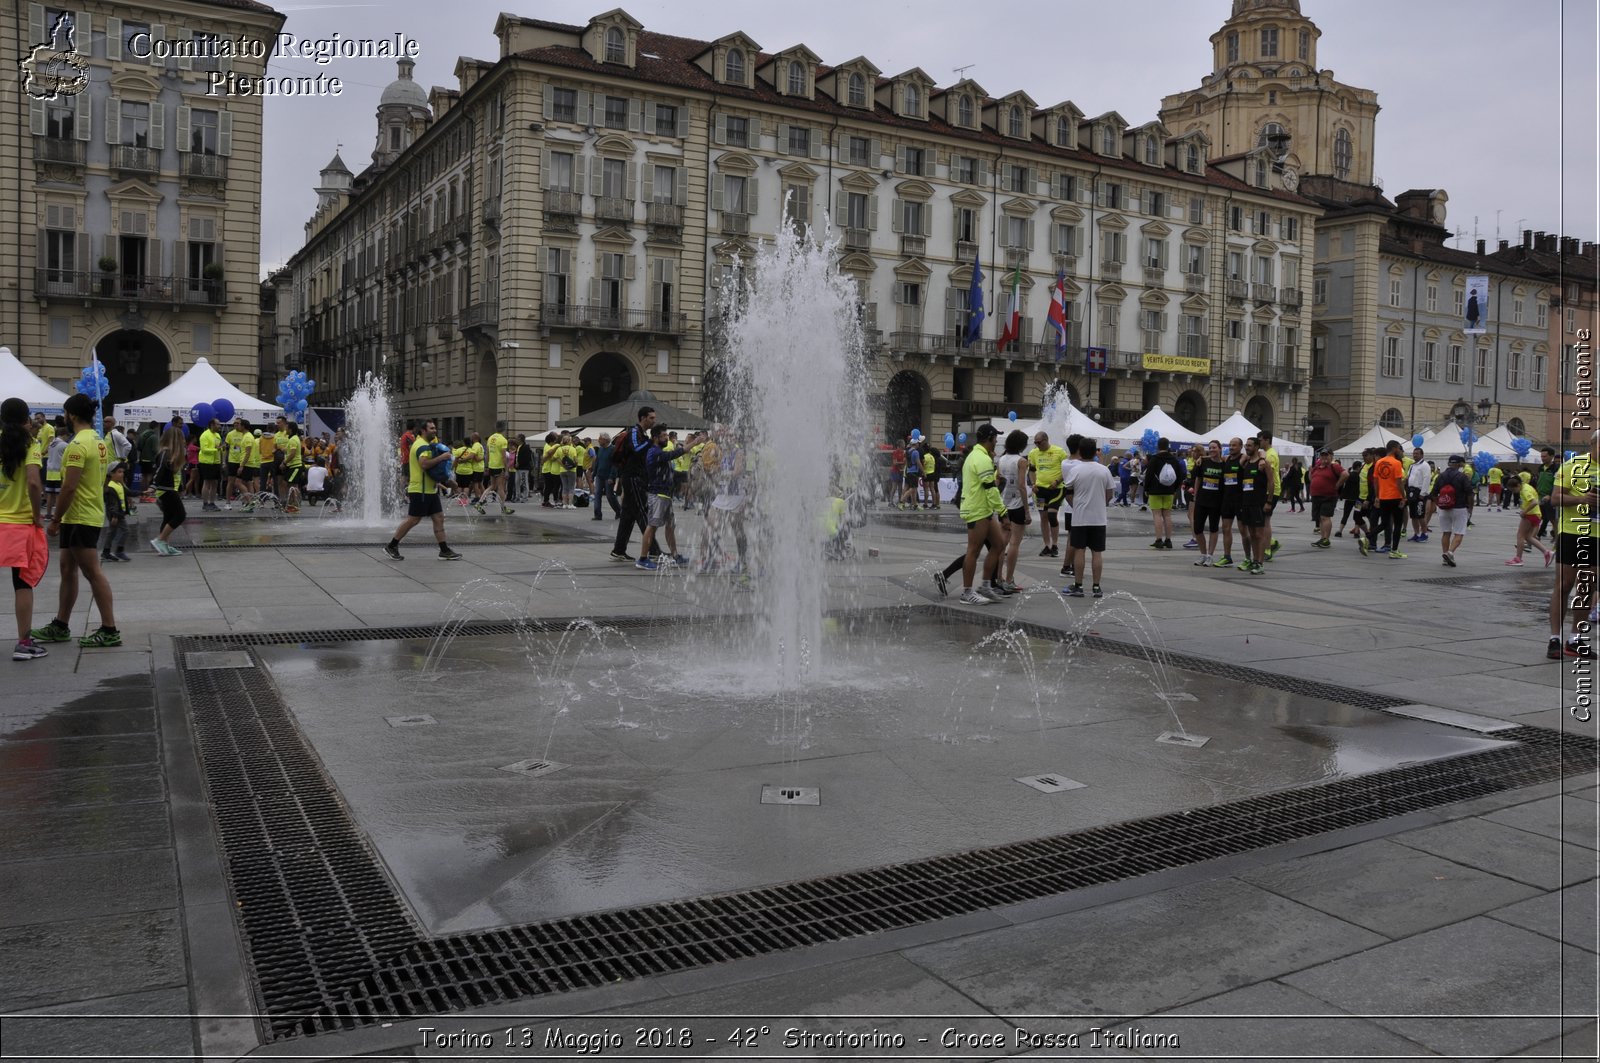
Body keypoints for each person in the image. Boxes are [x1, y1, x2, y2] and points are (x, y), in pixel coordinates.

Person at [30, 393, 119, 648]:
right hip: (80, 514)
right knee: (67, 569)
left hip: (80, 516)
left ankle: (109, 629)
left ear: (72, 415)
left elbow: (68, 488)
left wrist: (55, 520)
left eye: (66, 414)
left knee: (93, 573)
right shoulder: (98, 441)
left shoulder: (78, 445)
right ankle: (61, 624)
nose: (65, 418)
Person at [932, 423, 1007, 605]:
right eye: (995, 437)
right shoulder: (981, 458)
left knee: (998, 545)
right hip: (976, 509)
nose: (997, 440)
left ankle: (986, 586)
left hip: (984, 509)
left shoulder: (979, 455)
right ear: (989, 438)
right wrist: (1003, 512)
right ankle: (967, 592)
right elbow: (990, 488)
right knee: (973, 551)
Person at [0, 398, 49, 660]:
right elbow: (32, 483)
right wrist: (36, 514)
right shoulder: (31, 444)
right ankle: (24, 642)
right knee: (22, 584)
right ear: (25, 418)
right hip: (19, 524)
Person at [1546, 430, 1597, 659]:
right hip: (1572, 532)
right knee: (1565, 584)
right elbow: (1555, 498)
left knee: (1587, 587)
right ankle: (1554, 638)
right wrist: (1581, 499)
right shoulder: (1573, 465)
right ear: (1593, 444)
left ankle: (1575, 639)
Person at [384, 420, 460, 562]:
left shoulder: (425, 444)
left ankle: (444, 550)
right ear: (423, 430)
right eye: (431, 428)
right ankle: (392, 545)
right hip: (420, 490)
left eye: (435, 428)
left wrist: (446, 480)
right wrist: (442, 457)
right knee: (413, 519)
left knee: (438, 518)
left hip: (429, 490)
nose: (434, 430)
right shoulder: (421, 446)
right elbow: (424, 464)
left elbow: (432, 470)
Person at [1061, 436, 1114, 598]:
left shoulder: (1075, 470)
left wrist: (1074, 504)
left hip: (1080, 517)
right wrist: (1102, 503)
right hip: (1098, 518)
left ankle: (1078, 586)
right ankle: (1096, 587)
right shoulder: (1104, 469)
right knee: (1097, 552)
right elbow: (1110, 492)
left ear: (1080, 451)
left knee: (1079, 550)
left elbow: (1067, 490)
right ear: (1094, 451)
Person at [636, 425, 687, 570]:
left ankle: (675, 556)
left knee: (670, 526)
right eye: (664, 436)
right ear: (655, 438)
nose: (666, 438)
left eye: (666, 435)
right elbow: (671, 455)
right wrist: (692, 444)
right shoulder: (654, 452)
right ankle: (642, 558)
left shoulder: (659, 451)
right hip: (657, 495)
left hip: (665, 495)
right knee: (652, 526)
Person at [610, 406, 657, 562]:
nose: (653, 420)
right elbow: (636, 449)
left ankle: (619, 550)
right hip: (633, 478)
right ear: (643, 418)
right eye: (651, 418)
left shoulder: (641, 433)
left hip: (635, 477)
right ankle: (654, 550)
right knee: (643, 513)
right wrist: (651, 442)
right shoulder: (635, 433)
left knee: (628, 516)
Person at [995, 429, 1031, 594]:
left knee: (1002, 543)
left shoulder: (1001, 459)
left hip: (1004, 504)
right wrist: (1027, 510)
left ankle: (998, 577)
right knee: (1015, 543)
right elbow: (1022, 486)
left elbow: (997, 482)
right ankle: (1009, 579)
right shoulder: (1021, 461)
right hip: (1017, 505)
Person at [1362, 441, 1406, 558]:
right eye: (1398, 448)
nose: (1398, 450)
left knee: (1384, 523)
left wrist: (1377, 496)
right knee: (1397, 524)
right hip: (1395, 497)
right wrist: (1403, 497)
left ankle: (1367, 538)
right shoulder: (1396, 463)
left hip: (1383, 497)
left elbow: (1375, 482)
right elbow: (1398, 483)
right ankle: (1394, 551)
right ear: (1394, 448)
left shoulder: (1379, 462)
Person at [1430, 453, 1473, 566]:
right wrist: (1470, 508)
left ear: (1449, 463)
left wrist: (1439, 504)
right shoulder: (1462, 476)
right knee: (1459, 533)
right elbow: (1470, 493)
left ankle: (1445, 556)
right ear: (1459, 464)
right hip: (1459, 508)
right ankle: (1450, 552)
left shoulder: (1440, 476)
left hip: (1444, 508)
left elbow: (1433, 493)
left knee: (1446, 532)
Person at [150, 425, 187, 555]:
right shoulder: (165, 452)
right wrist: (153, 485)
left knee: (168, 517)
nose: (184, 441)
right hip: (165, 489)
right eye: (181, 438)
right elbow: (159, 470)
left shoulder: (171, 454)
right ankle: (160, 540)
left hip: (169, 489)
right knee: (180, 515)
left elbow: (176, 474)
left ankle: (164, 545)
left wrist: (181, 487)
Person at [1030, 431, 1068, 559]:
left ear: (1046, 440)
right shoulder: (1033, 453)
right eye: (1035, 442)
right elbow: (1032, 470)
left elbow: (1067, 470)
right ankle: (1047, 545)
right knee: (1043, 517)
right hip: (1040, 490)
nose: (1036, 445)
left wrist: (1057, 481)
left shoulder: (1060, 452)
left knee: (1052, 515)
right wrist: (1033, 484)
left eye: (1038, 442)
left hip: (1056, 489)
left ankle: (1055, 545)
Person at [1143, 438, 1185, 548]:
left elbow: (1149, 475)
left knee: (1157, 515)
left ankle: (1158, 539)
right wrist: (1174, 488)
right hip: (1169, 491)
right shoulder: (1174, 459)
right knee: (1167, 515)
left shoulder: (1154, 459)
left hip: (1155, 490)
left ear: (1158, 446)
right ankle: (1168, 539)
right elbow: (1180, 476)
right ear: (1168, 446)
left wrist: (1146, 489)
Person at [1190, 440, 1226, 566]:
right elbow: (1198, 478)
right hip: (1202, 499)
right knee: (1198, 528)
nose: (1212, 450)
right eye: (1210, 448)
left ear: (1220, 449)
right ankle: (1203, 554)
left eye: (1214, 447)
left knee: (1213, 528)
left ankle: (1210, 555)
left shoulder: (1224, 464)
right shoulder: (1203, 462)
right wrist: (1195, 494)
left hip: (1216, 501)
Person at [1506, 471, 1553, 567]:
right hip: (1536, 514)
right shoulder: (1526, 486)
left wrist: (1524, 511)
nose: (1514, 492)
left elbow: (1534, 502)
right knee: (1528, 537)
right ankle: (1547, 552)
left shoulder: (1525, 490)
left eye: (1514, 490)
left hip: (1530, 515)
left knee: (1520, 536)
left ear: (1518, 485)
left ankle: (1518, 559)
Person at [1306, 448, 1343, 548]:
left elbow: (1345, 474)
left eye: (1326, 455)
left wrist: (1338, 484)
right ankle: (1323, 539)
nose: (1324, 457)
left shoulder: (1334, 466)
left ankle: (1326, 539)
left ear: (1331, 456)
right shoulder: (1318, 467)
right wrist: (1310, 471)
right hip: (1316, 496)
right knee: (1320, 518)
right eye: (1322, 455)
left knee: (1325, 517)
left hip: (1328, 496)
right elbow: (1311, 478)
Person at [1256, 431, 1283, 562]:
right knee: (1262, 520)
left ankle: (1267, 549)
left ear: (1267, 440)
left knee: (1265, 521)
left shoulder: (1270, 455)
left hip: (1271, 491)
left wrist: (1269, 498)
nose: (1258, 442)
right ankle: (1271, 542)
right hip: (1266, 491)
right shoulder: (1266, 453)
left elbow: (1270, 477)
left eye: (1260, 440)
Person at [99, 461, 131, 563]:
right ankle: (119, 550)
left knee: (112, 532)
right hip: (116, 514)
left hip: (117, 514)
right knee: (125, 530)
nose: (122, 474)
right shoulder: (110, 488)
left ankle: (106, 552)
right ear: (111, 474)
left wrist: (143, 492)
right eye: (119, 472)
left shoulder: (119, 484)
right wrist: (115, 516)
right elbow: (112, 505)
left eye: (123, 472)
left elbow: (129, 492)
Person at [1405, 447, 1432, 542]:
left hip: (1420, 492)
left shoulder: (1425, 466)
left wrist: (1423, 493)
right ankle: (1416, 533)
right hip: (1411, 492)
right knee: (1413, 515)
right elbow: (1408, 477)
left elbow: (1426, 479)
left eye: (1417, 453)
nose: (1415, 455)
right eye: (1414, 453)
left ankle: (1424, 534)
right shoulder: (1412, 465)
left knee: (1420, 514)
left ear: (1422, 455)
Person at [197, 416, 223, 510]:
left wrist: (221, 452)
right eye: (217, 424)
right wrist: (216, 450)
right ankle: (205, 503)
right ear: (212, 425)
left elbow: (219, 448)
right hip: (206, 462)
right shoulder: (205, 435)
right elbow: (204, 449)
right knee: (207, 482)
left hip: (216, 462)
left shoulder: (217, 435)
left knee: (215, 483)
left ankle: (212, 503)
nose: (219, 426)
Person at [1535, 447, 1560, 538]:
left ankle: (1557, 541)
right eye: (1541, 456)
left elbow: (1557, 484)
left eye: (1545, 456)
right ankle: (1534, 538)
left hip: (1550, 498)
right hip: (1539, 497)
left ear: (1551, 456)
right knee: (1537, 518)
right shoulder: (1540, 467)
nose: (1542, 458)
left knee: (1553, 520)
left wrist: (1550, 495)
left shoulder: (1556, 469)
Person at [281, 424, 305, 513]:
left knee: (290, 485)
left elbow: (292, 453)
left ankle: (295, 505)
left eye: (286, 427)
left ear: (290, 429)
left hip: (295, 466)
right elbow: (289, 452)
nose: (285, 429)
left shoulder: (293, 439)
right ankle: (292, 504)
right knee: (291, 485)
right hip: (293, 466)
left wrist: (284, 463)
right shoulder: (293, 439)